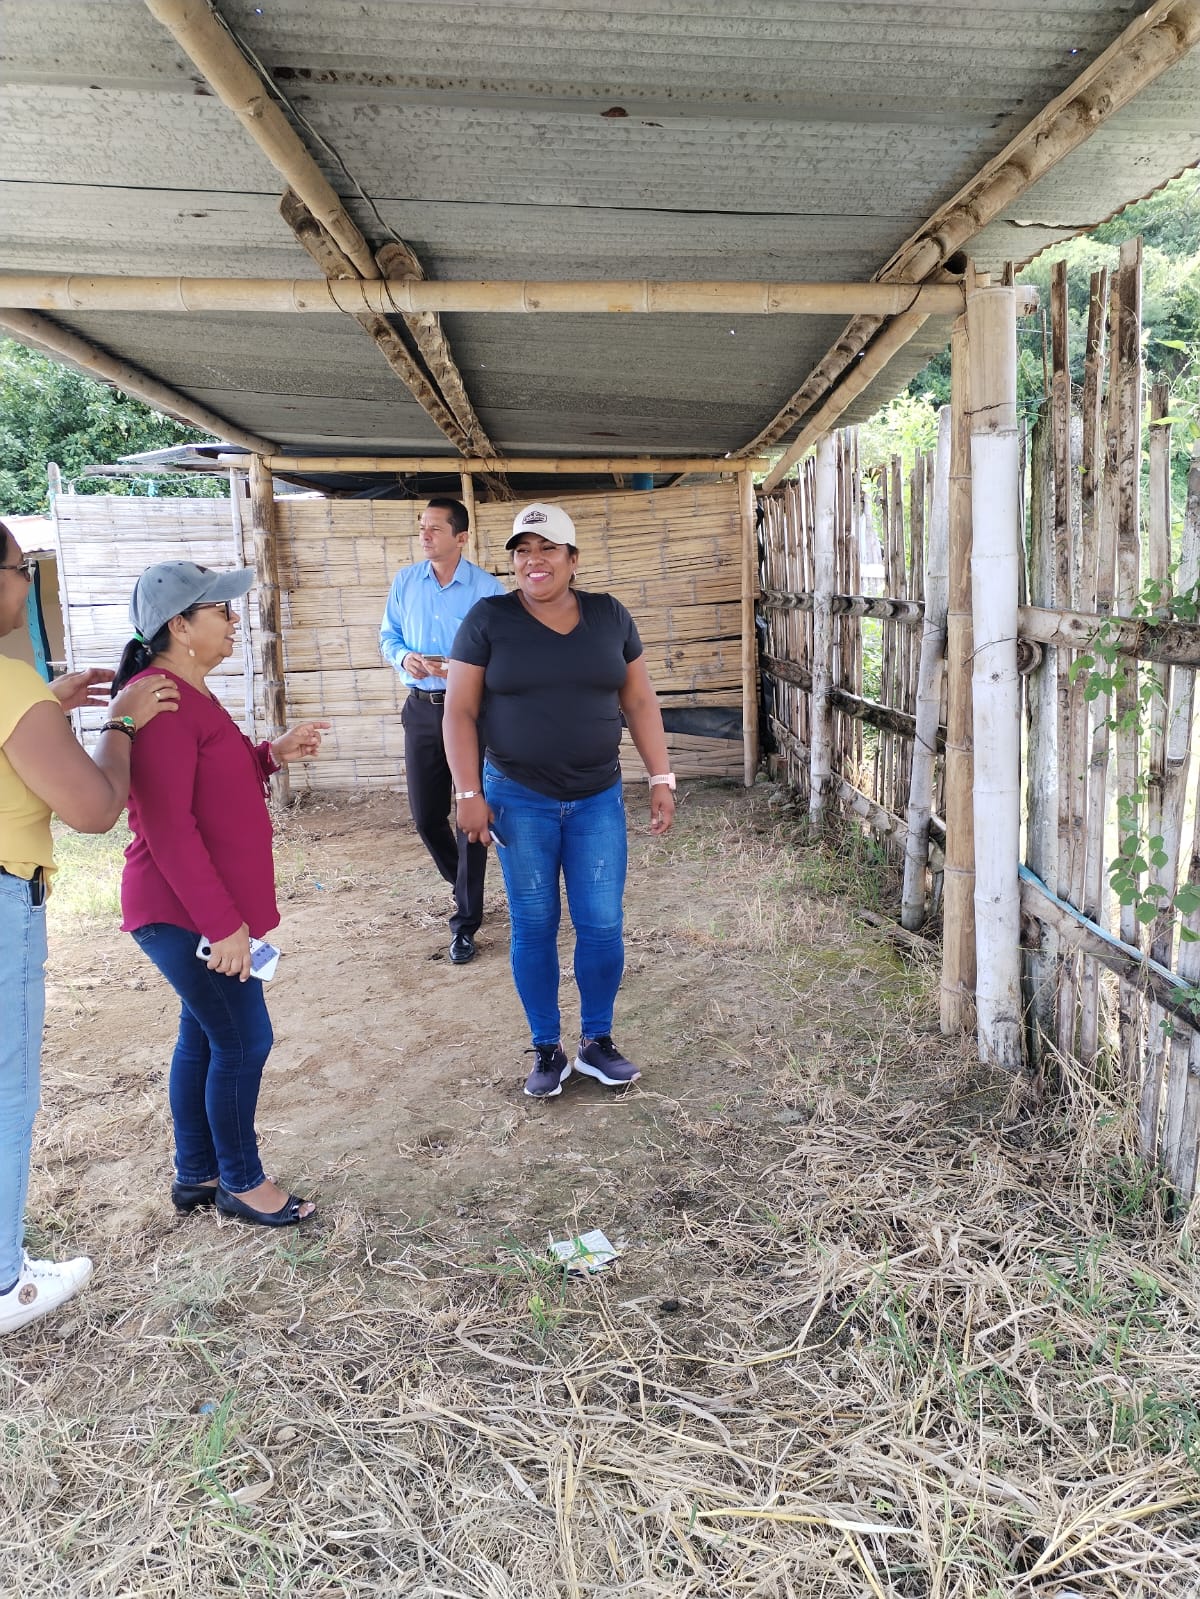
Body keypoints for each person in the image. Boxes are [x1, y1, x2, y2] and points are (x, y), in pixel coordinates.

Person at [110, 561, 330, 1228]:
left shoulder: (187, 693)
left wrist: (270, 754)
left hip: (194, 911)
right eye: (221, 611)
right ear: (180, 625)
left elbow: (211, 782)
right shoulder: (163, 701)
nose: (235, 621)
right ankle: (241, 1181)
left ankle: (197, 1173)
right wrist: (223, 925)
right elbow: (168, 827)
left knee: (206, 1036)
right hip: (184, 912)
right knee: (243, 1040)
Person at [0, 521, 180, 1334]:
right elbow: (96, 807)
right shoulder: (9, 685)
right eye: (20, 568)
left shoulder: (21, 692)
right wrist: (121, 721)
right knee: (8, 1091)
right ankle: (6, 1280)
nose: (24, 581)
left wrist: (48, 703)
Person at [444, 502, 676, 1099]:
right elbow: (460, 711)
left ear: (573, 559)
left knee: (602, 923)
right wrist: (468, 792)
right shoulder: (488, 619)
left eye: (547, 549)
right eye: (522, 551)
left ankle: (597, 1042)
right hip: (517, 798)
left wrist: (661, 776)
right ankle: (547, 1048)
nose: (533, 561)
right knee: (534, 923)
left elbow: (639, 701)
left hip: (597, 797)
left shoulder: (609, 616)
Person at [379, 497, 504, 965]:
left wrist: (463, 670)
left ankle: (465, 922)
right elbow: (388, 636)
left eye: (435, 528)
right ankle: (465, 886)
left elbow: (503, 652)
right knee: (426, 816)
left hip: (470, 712)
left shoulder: (487, 590)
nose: (425, 535)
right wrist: (404, 657)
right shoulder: (405, 582)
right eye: (422, 527)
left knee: (470, 812)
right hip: (421, 709)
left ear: (461, 537)